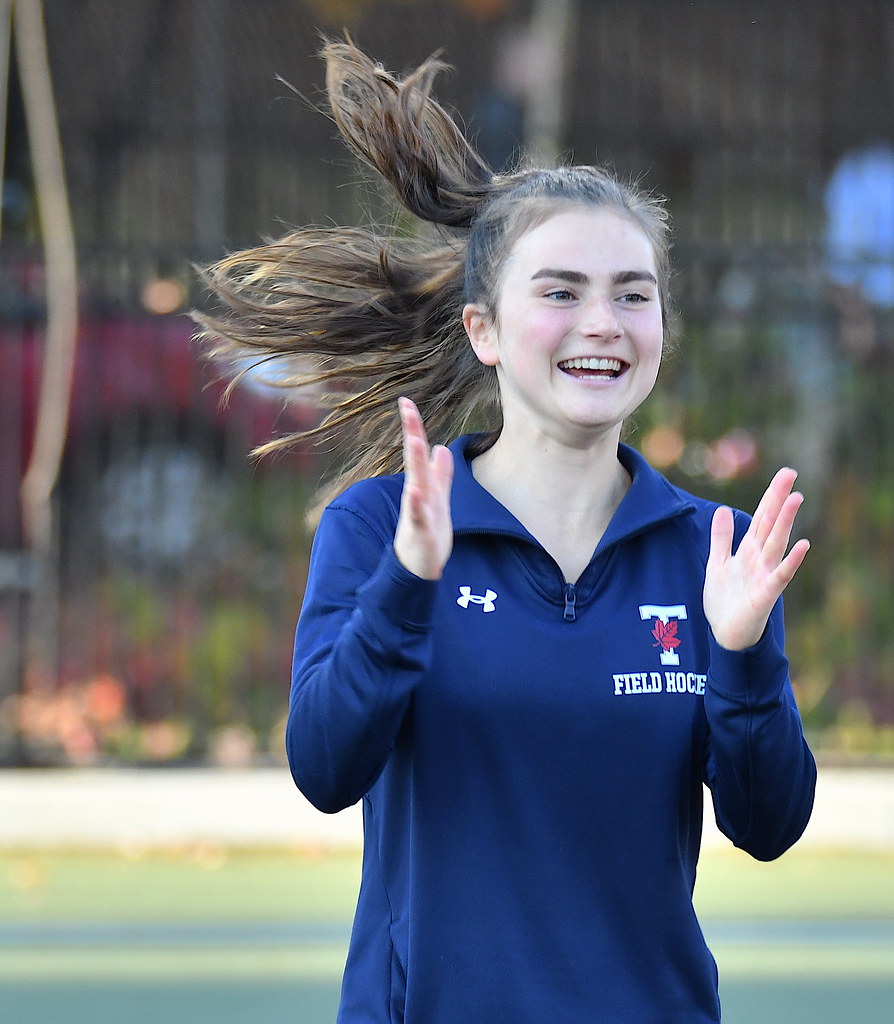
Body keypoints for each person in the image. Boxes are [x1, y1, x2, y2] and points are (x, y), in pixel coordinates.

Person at [196, 39, 817, 1024]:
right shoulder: (382, 527)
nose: (603, 322)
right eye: (560, 291)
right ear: (483, 329)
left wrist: (743, 658)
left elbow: (769, 824)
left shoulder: (717, 551)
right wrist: (405, 585)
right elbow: (324, 768)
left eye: (633, 293)